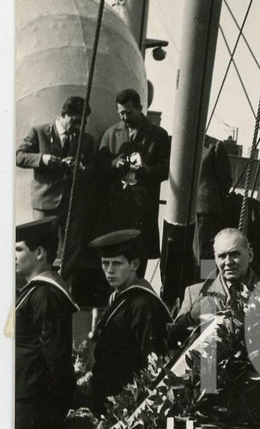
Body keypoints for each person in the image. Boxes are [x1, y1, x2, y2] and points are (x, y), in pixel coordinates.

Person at [171, 228, 260, 422]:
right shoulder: (195, 295)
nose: (228, 262)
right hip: (206, 410)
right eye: (221, 256)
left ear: (250, 254)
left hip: (255, 407)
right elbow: (178, 354)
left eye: (235, 254)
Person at [16, 95, 101, 302]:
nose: (78, 126)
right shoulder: (39, 131)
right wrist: (43, 159)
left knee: (72, 248)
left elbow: (92, 171)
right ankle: (36, 290)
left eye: (82, 123)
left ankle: (63, 290)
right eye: (75, 120)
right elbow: (19, 156)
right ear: (63, 115)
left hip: (73, 203)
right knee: (41, 247)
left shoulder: (86, 139)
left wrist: (80, 168)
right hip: (46, 201)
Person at [14, 219, 78, 429]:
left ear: (39, 253)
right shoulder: (32, 292)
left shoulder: (46, 294)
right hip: (23, 398)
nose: (12, 257)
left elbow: (56, 360)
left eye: (18, 250)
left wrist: (52, 411)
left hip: (33, 405)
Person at [89, 229, 170, 412]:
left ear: (134, 264)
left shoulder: (143, 304)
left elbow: (151, 363)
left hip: (126, 404)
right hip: (109, 398)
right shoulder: (117, 296)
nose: (109, 270)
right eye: (105, 263)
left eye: (117, 263)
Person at [96, 88, 170, 281]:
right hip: (116, 209)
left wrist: (145, 169)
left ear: (140, 108)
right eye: (121, 113)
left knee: (139, 254)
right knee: (116, 254)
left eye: (129, 112)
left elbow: (165, 171)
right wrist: (114, 163)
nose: (125, 117)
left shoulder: (159, 135)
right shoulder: (111, 133)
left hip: (142, 209)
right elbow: (99, 165)